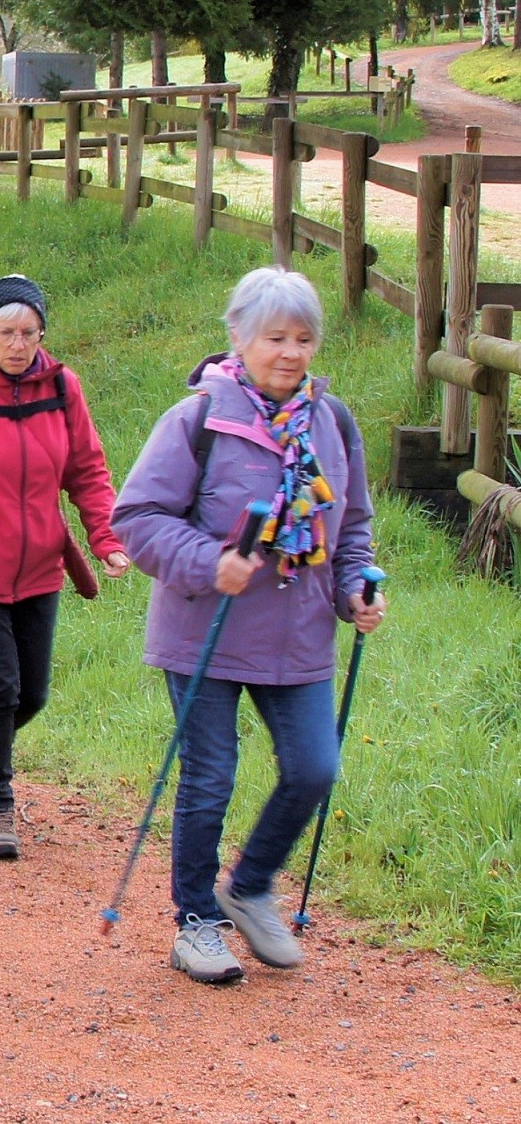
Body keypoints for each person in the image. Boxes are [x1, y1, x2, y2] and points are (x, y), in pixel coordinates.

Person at [111, 265, 385, 985]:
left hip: (298, 637)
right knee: (211, 777)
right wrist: (211, 561)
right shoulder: (199, 418)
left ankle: (251, 885)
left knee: (313, 768)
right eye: (275, 337)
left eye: (303, 338)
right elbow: (136, 520)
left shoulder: (332, 422)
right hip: (205, 630)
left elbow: (351, 525)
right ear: (238, 336)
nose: (291, 352)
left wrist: (355, 588)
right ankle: (196, 922)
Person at [0, 275, 129, 860]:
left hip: (39, 566)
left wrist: (105, 538)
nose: (18, 344)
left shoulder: (62, 388)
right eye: (5, 332)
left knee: (31, 694)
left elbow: (86, 468)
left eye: (29, 332)